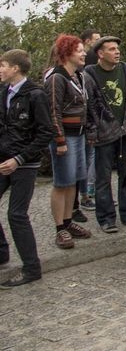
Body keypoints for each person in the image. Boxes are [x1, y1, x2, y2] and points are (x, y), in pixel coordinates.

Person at [0, 49, 53, 288]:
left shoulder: (35, 95)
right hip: (4, 159)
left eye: (3, 65)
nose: (0, 69)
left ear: (16, 68)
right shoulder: (4, 92)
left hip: (24, 162)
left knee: (16, 214)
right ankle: (2, 253)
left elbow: (45, 133)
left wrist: (20, 159)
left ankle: (31, 267)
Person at [84, 36, 126, 233]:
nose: (116, 52)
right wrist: (93, 132)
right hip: (104, 134)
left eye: (117, 48)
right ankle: (106, 218)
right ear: (100, 54)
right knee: (103, 179)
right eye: (111, 49)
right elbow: (89, 107)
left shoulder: (125, 70)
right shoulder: (89, 74)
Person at [44, 35, 93, 249]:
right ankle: (59, 228)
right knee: (62, 182)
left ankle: (68, 221)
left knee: (73, 180)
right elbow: (52, 111)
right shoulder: (57, 78)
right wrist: (60, 140)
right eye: (79, 50)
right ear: (67, 53)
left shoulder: (77, 77)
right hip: (65, 138)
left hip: (79, 134)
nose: (84, 54)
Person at [76, 28, 101, 214]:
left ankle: (89, 192)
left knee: (91, 157)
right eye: (96, 39)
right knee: (86, 158)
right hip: (81, 125)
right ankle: (85, 194)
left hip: (91, 120)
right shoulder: (86, 68)